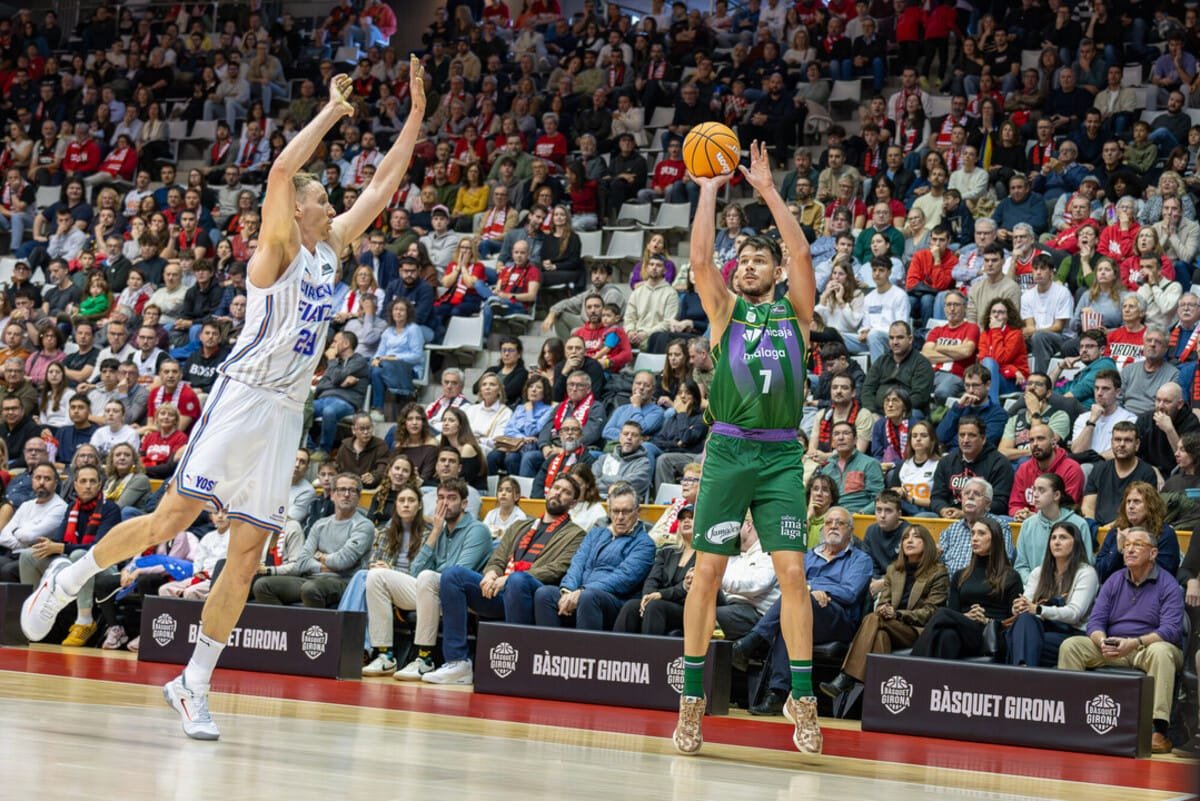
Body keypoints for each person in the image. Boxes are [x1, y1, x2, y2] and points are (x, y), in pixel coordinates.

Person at [21, 65, 428, 741]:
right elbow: (277, 175)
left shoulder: (332, 249)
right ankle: (69, 577)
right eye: (325, 199)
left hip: (284, 413)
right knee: (167, 517)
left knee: (245, 556)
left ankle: (194, 682)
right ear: (299, 209)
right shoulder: (275, 250)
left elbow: (383, 185)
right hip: (242, 398)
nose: (336, 206)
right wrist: (331, 111)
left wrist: (415, 112)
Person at [674, 142, 823, 756]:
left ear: (777, 272)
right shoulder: (725, 310)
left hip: (783, 456)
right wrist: (708, 187)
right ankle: (690, 702)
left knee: (794, 572)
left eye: (760, 259)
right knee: (706, 572)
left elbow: (804, 251)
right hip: (730, 452)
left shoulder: (799, 313)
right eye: (745, 259)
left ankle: (804, 698)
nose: (748, 265)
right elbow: (701, 258)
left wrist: (765, 188)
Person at [421, 475, 586, 685]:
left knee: (517, 580)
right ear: (547, 491)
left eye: (566, 492)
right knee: (453, 575)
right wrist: (491, 573)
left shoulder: (576, 535)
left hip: (532, 594)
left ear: (573, 503)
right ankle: (457, 663)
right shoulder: (520, 526)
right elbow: (498, 558)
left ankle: (518, 661)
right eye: (556, 488)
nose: (558, 493)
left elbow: (557, 569)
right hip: (500, 593)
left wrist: (507, 579)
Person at [1057, 526, 1185, 755]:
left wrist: (1134, 643)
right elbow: (1095, 622)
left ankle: (1158, 729)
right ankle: (1070, 718)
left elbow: (1171, 630)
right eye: (1127, 545)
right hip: (1114, 646)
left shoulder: (1168, 585)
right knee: (1071, 646)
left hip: (1148, 647)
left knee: (1162, 652)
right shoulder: (1114, 580)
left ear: (1153, 553)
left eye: (1138, 545)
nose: (1130, 550)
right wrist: (1102, 641)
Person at [362, 477, 490, 678]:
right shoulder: (439, 530)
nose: (444, 503)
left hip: (459, 597)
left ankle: (424, 658)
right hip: (429, 591)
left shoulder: (478, 530)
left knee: (429, 577)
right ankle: (385, 656)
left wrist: (427, 575)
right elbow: (415, 572)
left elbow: (457, 575)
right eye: (440, 498)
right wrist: (435, 533)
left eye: (452, 498)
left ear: (464, 503)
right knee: (376, 576)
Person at [819, 525, 949, 698]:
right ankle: (881, 697)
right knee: (880, 634)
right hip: (889, 626)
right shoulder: (893, 570)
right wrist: (884, 609)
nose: (909, 540)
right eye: (905, 538)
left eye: (916, 537)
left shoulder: (938, 572)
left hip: (918, 631)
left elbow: (932, 612)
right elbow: (885, 601)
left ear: (927, 544)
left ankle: (847, 676)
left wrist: (898, 614)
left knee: (874, 620)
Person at [18, 464, 120, 647]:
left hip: (105, 566)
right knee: (28, 555)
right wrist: (48, 545)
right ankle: (35, 612)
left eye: (92, 481)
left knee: (81, 555)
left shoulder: (111, 509)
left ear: (100, 485)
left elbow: (98, 549)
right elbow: (59, 540)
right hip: (74, 560)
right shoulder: (72, 507)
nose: (88, 485)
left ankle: (85, 620)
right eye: (83, 481)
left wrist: (61, 548)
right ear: (75, 485)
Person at [532, 481, 655, 630]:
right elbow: (577, 564)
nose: (620, 517)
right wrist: (568, 591)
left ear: (637, 511)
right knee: (544, 594)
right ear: (609, 511)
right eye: (615, 511)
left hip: (614, 600)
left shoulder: (644, 543)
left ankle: (586, 651)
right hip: (581, 593)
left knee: (589, 597)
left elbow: (621, 579)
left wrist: (582, 591)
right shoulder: (596, 533)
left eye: (626, 511)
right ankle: (549, 650)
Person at [252, 472, 374, 607]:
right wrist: (323, 566)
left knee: (311, 589)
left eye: (352, 490)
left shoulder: (364, 525)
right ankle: (285, 625)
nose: (346, 494)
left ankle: (317, 628)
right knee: (262, 585)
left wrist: (319, 556)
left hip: (344, 582)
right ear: (332, 495)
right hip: (310, 579)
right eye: (341, 489)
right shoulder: (320, 524)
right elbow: (302, 562)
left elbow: (342, 561)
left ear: (359, 496)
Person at [910, 516, 1022, 659]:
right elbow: (954, 613)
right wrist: (966, 617)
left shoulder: (1011, 576)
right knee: (947, 635)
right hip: (964, 632)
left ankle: (911, 668)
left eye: (981, 533)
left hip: (990, 633)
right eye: (973, 533)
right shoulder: (960, 575)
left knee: (942, 614)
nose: (974, 538)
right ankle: (941, 681)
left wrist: (986, 620)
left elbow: (1013, 620)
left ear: (994, 539)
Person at [1006, 521, 1099, 668]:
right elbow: (1027, 604)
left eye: (1063, 537)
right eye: (1053, 538)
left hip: (1071, 633)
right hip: (1041, 628)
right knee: (1024, 620)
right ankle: (1024, 672)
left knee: (1019, 641)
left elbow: (1075, 614)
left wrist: (1038, 609)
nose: (1056, 542)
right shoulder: (1038, 572)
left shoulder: (1086, 573)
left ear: (1075, 543)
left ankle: (1021, 675)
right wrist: (1018, 607)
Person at [613, 503, 697, 635]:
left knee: (654, 606)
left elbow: (688, 587)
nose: (686, 521)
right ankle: (615, 652)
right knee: (631, 606)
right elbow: (652, 579)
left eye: (691, 518)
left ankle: (650, 654)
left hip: (687, 607)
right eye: (682, 519)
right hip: (660, 602)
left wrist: (660, 595)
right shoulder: (667, 552)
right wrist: (647, 596)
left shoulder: (704, 556)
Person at [1008, 426, 1086, 522]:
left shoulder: (1071, 469)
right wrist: (1020, 513)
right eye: (1031, 440)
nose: (1035, 444)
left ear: (1053, 442)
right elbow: (1015, 504)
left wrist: (1036, 518)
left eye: (1041, 439)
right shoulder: (1023, 469)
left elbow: (1067, 508)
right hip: (1026, 523)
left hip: (1060, 525)